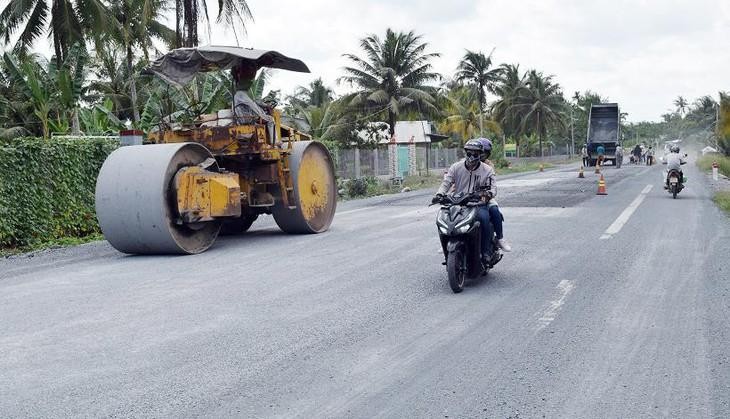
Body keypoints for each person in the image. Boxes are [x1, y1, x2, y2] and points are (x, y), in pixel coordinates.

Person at [432, 140, 512, 260]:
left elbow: (493, 188)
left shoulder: (487, 169)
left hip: (478, 202)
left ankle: (486, 251)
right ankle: (448, 241)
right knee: (444, 217)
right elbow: (446, 183)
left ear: (480, 154)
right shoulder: (456, 167)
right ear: (465, 153)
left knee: (484, 218)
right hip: (458, 201)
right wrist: (439, 194)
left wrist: (486, 194)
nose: (472, 157)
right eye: (469, 153)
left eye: (475, 154)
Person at [475, 137, 511, 253]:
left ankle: (500, 238)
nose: (482, 154)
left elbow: (492, 184)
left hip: (485, 196)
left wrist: (486, 194)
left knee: (495, 211)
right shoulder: (466, 162)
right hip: (466, 196)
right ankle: (451, 237)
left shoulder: (489, 166)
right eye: (480, 151)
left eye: (484, 152)